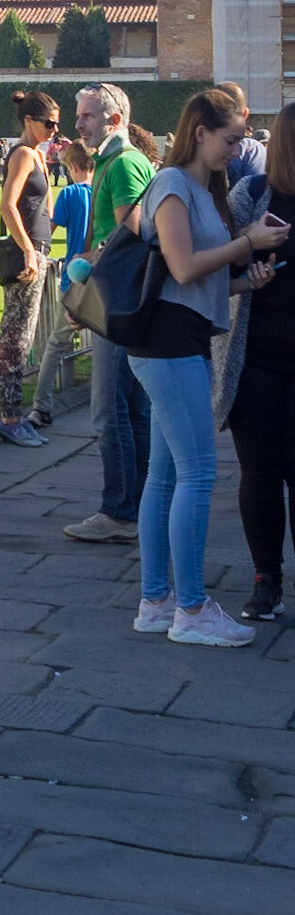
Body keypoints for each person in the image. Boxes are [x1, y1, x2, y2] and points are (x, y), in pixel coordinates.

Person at [129, 90, 287, 646]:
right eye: (230, 139)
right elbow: (183, 267)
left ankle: (157, 601)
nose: (237, 150)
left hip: (177, 340)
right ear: (200, 133)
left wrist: (247, 281)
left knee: (164, 476)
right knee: (197, 474)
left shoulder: (200, 188)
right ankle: (191, 610)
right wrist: (247, 243)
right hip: (169, 345)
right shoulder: (172, 184)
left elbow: (199, 282)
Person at [64, 84, 156, 545]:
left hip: (118, 303)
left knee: (110, 411)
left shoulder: (122, 163)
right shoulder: (115, 161)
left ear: (114, 120)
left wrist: (87, 272)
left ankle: (119, 512)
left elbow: (131, 236)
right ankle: (138, 508)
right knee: (132, 409)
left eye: (87, 116)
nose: (78, 124)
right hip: (122, 301)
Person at [215, 103, 295, 621]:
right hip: (257, 359)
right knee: (260, 473)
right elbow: (218, 266)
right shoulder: (253, 194)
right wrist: (250, 256)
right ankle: (267, 579)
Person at [0, 90, 60, 447]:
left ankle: (13, 414)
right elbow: (8, 205)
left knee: (23, 337)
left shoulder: (36, 154)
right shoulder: (22, 154)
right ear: (29, 121)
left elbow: (44, 208)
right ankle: (9, 416)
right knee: (15, 339)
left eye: (57, 124)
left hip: (37, 250)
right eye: (49, 123)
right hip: (27, 255)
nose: (54, 129)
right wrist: (30, 252)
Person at [27, 141, 93, 430]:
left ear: (73, 167)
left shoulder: (71, 193)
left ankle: (41, 406)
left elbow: (48, 230)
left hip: (74, 280)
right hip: (101, 279)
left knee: (56, 345)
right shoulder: (103, 191)